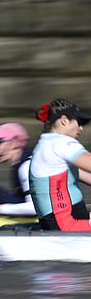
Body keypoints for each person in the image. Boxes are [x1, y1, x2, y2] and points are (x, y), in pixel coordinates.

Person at [27, 99, 91, 231]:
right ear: (64, 120)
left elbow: (81, 175)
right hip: (67, 226)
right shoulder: (61, 143)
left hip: (62, 221)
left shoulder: (46, 145)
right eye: (78, 122)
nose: (81, 128)